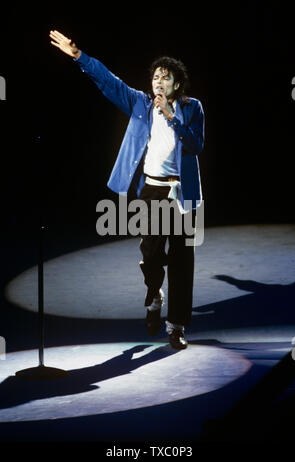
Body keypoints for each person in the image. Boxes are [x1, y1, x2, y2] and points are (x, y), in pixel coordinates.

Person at [49, 30, 205, 350]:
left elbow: (196, 144)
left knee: (180, 260)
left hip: (180, 194)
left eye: (166, 77)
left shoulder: (193, 109)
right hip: (150, 190)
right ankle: (154, 293)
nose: (159, 81)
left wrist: (172, 117)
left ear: (178, 83)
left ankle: (176, 326)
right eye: (156, 76)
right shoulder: (140, 103)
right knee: (150, 254)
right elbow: (109, 81)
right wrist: (80, 56)